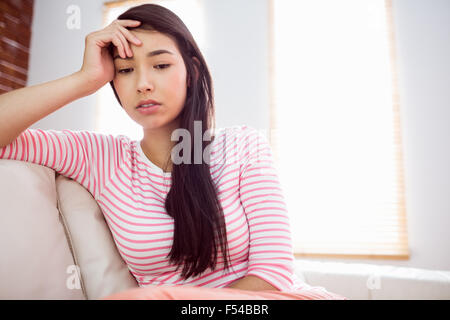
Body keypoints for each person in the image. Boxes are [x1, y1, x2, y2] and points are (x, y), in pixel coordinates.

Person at [0, 4, 346, 300]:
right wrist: (84, 79)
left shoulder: (242, 145)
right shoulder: (99, 158)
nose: (143, 83)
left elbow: (273, 274)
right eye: (125, 70)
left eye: (161, 65)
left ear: (191, 71)